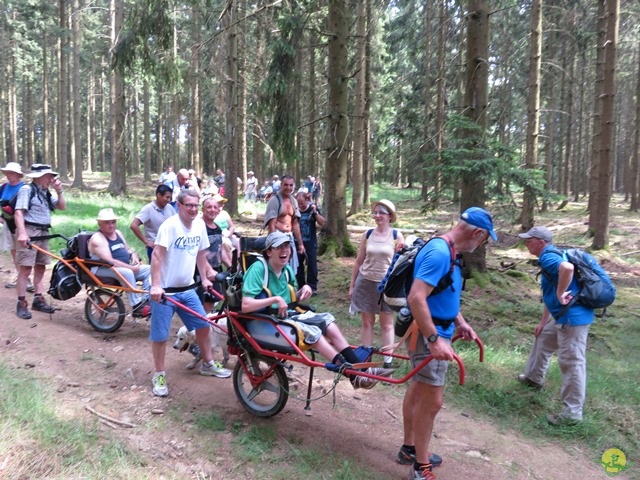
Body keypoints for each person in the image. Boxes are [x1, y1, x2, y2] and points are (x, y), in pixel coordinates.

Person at [399, 207, 495, 480]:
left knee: (419, 390)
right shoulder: (441, 252)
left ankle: (410, 448)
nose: (483, 243)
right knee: (433, 401)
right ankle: (421, 466)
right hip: (429, 333)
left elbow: (441, 292)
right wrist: (433, 340)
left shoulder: (450, 252)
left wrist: (460, 321)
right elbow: (417, 298)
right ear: (477, 233)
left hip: (439, 328)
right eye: (485, 238)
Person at [241, 231, 394, 389]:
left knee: (329, 323)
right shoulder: (259, 269)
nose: (284, 250)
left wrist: (302, 291)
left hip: (285, 316)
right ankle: (354, 375)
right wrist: (275, 299)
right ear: (268, 252)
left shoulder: (286, 270)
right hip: (264, 321)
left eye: (287, 245)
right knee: (314, 333)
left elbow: (290, 299)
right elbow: (245, 305)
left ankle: (363, 370)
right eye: (279, 247)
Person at [149, 189, 231, 397]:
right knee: (160, 336)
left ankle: (208, 364)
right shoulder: (170, 226)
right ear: (180, 206)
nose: (193, 209)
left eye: (196, 205)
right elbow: (157, 256)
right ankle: (159, 374)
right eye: (189, 205)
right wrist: (156, 285)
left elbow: (201, 253)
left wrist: (204, 278)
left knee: (204, 326)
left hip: (187, 289)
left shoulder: (200, 226)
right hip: (166, 292)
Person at [516, 226, 594, 426]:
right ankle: (534, 377)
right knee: (544, 336)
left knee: (572, 362)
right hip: (562, 316)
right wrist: (543, 322)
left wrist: (561, 295)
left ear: (541, 242)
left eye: (530, 240)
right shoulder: (552, 255)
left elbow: (567, 270)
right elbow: (551, 293)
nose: (527, 243)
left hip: (573, 318)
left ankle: (572, 413)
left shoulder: (548, 257)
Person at [349, 200, 404, 366]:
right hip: (365, 282)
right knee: (367, 322)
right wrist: (352, 285)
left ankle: (388, 361)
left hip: (386, 285)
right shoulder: (367, 234)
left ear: (390, 216)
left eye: (382, 212)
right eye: (376, 212)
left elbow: (401, 264)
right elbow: (359, 261)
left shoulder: (397, 236)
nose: (378, 215)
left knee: (386, 324)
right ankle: (366, 357)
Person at [14, 164, 67, 319]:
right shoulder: (27, 190)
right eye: (49, 176)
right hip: (30, 232)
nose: (52, 179)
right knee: (25, 269)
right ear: (39, 177)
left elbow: (62, 206)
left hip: (43, 233)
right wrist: (22, 233)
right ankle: (21, 302)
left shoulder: (46, 192)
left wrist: (59, 191)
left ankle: (38, 299)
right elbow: (18, 212)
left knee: (40, 267)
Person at [88, 208, 151, 317]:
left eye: (113, 222)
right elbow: (110, 260)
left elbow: (127, 249)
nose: (111, 225)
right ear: (99, 223)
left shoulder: (117, 233)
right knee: (127, 272)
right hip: (102, 269)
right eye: (107, 223)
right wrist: (131, 268)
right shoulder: (98, 239)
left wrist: (133, 254)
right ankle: (136, 306)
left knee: (151, 269)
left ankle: (146, 301)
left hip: (120, 267)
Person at [1, 162, 33, 292]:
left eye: (12, 173)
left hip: (23, 226)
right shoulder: (3, 188)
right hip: (8, 225)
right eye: (8, 173)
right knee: (14, 252)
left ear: (18, 175)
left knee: (23, 253)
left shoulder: (25, 188)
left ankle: (27, 280)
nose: (9, 175)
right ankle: (20, 278)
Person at [264, 175, 304, 272]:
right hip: (278, 237)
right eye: (286, 185)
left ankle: (289, 286)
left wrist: (300, 244)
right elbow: (271, 225)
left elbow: (295, 224)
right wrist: (273, 244)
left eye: (291, 185)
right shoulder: (275, 200)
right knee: (278, 265)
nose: (288, 188)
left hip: (289, 237)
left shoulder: (294, 201)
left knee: (291, 268)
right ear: (281, 185)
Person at [130, 184, 177, 262]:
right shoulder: (148, 209)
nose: (169, 200)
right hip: (155, 247)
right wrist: (147, 242)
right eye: (167, 197)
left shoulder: (169, 208)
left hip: (170, 246)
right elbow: (134, 225)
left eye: (170, 197)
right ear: (158, 195)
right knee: (156, 272)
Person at [295, 188, 325, 294]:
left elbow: (322, 223)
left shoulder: (312, 209)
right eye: (298, 204)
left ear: (307, 200)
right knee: (298, 265)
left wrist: (315, 212)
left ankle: (312, 287)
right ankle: (301, 286)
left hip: (310, 242)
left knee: (312, 265)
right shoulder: (295, 210)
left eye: (302, 203)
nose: (301, 206)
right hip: (297, 242)